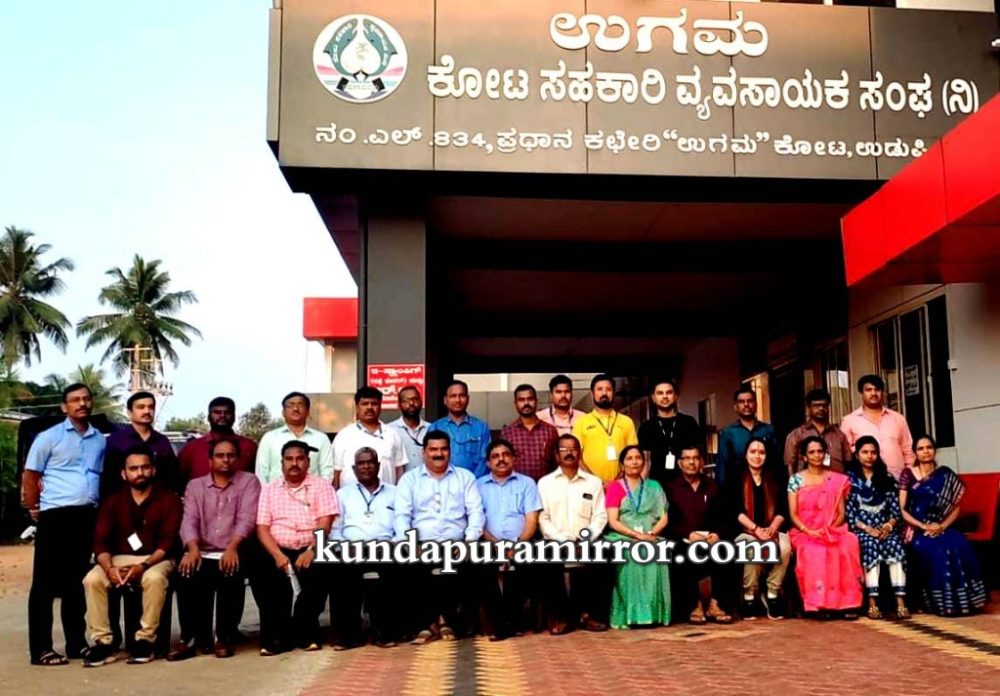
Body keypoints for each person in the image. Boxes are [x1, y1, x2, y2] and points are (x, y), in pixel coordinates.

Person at [23, 383, 106, 666]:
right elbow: (31, 475)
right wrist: (34, 508)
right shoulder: (49, 437)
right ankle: (41, 649)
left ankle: (76, 643)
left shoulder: (99, 439)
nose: (82, 403)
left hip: (86, 516)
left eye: (86, 399)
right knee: (44, 584)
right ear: (64, 406)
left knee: (76, 583)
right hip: (56, 515)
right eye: (75, 400)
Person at [81, 446, 182, 667]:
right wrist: (109, 569)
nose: (140, 473)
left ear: (153, 470)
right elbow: (100, 542)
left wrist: (143, 566)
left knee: (154, 578)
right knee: (92, 579)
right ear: (123, 473)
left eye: (145, 467)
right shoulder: (113, 502)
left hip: (156, 559)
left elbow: (168, 542)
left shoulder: (169, 499)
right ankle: (102, 642)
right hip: (118, 558)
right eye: (134, 469)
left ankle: (145, 640)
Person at [170, 437, 262, 660]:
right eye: (220, 456)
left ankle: (224, 636)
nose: (226, 460)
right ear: (210, 461)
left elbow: (247, 519)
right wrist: (192, 549)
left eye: (231, 455)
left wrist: (232, 548)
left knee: (230, 572)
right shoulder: (195, 486)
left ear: (237, 459)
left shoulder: (249, 482)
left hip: (234, 548)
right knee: (187, 572)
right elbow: (189, 520)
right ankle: (191, 638)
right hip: (202, 550)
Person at [394, 430, 485, 644]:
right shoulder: (409, 479)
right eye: (433, 449)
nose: (438, 454)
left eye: (443, 449)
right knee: (406, 567)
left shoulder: (465, 477)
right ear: (424, 452)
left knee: (469, 565)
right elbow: (401, 515)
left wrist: (469, 541)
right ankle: (427, 623)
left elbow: (476, 512)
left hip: (457, 542)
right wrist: (410, 543)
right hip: (421, 543)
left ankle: (448, 622)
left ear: (450, 451)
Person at [255, 440, 339, 655]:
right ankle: (276, 637)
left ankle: (305, 632)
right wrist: (277, 555)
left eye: (300, 459)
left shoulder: (322, 486)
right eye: (289, 459)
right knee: (267, 579)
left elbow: (325, 523)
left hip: (311, 545)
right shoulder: (269, 490)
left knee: (320, 574)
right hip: (277, 548)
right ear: (282, 463)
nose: (294, 463)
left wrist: (312, 550)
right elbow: (262, 528)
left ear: (308, 462)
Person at [899, 435, 987, 617]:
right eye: (921, 448)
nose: (925, 452)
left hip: (941, 526)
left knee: (959, 544)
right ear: (915, 452)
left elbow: (956, 507)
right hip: (917, 529)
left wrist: (941, 526)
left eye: (929, 447)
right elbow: (902, 509)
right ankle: (942, 604)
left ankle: (966, 602)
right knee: (940, 551)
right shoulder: (907, 474)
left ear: (935, 450)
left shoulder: (945, 474)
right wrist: (923, 526)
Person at [537, 434, 610, 634]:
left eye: (573, 449)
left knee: (605, 554)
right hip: (556, 540)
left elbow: (600, 516)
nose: (569, 453)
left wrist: (585, 539)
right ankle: (561, 617)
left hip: (586, 539)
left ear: (580, 453)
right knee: (545, 559)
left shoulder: (593, 482)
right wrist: (564, 540)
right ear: (556, 455)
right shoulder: (545, 483)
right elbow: (543, 518)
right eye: (564, 449)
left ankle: (589, 614)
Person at [787, 436, 863, 620]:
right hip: (805, 532)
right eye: (812, 452)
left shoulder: (835, 479)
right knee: (814, 551)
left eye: (820, 451)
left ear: (825, 454)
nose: (816, 455)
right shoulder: (796, 480)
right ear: (804, 456)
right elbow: (793, 515)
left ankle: (848, 603)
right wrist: (810, 531)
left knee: (848, 543)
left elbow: (841, 513)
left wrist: (829, 529)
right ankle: (818, 604)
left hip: (832, 530)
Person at [331, 447, 400, 649]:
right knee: (342, 575)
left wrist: (392, 545)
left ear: (378, 466)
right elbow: (335, 530)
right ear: (354, 468)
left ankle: (384, 633)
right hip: (352, 550)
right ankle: (348, 636)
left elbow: (403, 527)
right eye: (361, 463)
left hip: (385, 549)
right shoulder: (342, 494)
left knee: (391, 573)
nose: (366, 466)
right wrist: (346, 548)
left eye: (370, 462)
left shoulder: (395, 493)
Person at [476, 439, 542, 640]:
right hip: (489, 542)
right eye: (495, 456)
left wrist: (518, 545)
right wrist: (496, 545)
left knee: (528, 565)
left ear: (513, 458)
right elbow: (477, 521)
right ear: (488, 463)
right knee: (481, 568)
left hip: (522, 542)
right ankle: (500, 622)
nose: (501, 459)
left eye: (505, 455)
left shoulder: (527, 483)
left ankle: (511, 620)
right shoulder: (478, 486)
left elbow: (532, 519)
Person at [604, 445, 671, 629]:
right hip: (623, 535)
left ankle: (653, 615)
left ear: (644, 462)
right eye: (629, 458)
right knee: (632, 552)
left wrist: (651, 534)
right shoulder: (615, 487)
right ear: (622, 464)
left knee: (657, 550)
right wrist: (636, 535)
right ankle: (631, 615)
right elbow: (613, 521)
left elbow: (664, 517)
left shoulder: (654, 486)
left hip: (650, 534)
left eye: (638, 458)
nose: (634, 462)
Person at [665, 445, 732, 625]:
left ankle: (715, 604)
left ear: (701, 462)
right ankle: (695, 606)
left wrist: (717, 535)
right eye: (687, 458)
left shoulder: (713, 486)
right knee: (682, 554)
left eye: (695, 458)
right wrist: (688, 534)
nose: (691, 462)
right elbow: (669, 521)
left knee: (726, 551)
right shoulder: (671, 488)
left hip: (710, 539)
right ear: (679, 463)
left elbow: (724, 516)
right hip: (684, 539)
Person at [846, 436, 908, 621]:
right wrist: (868, 529)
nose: (869, 456)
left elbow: (896, 511)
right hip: (861, 529)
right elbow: (850, 514)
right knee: (870, 545)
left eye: (873, 452)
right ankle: (872, 603)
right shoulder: (850, 481)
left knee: (895, 544)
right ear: (857, 455)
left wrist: (888, 526)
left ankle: (900, 602)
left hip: (885, 528)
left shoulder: (886, 478)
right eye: (865, 452)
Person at [730, 438, 790, 620]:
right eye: (753, 451)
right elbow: (735, 511)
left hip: (772, 529)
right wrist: (756, 530)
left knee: (785, 548)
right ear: (746, 454)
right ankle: (749, 596)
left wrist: (772, 528)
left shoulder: (776, 477)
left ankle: (772, 593)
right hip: (744, 531)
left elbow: (783, 509)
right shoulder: (736, 477)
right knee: (754, 547)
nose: (757, 456)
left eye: (761, 452)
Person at [102, 391, 181, 497]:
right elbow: (108, 479)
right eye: (141, 407)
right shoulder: (115, 441)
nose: (147, 411)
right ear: (130, 412)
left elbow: (171, 476)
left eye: (151, 407)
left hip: (158, 501)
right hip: (124, 502)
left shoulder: (162, 441)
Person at [840, 375, 914, 480]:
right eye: (868, 390)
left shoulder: (898, 418)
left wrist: (909, 476)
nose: (873, 393)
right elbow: (846, 454)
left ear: (882, 392)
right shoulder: (849, 421)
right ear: (861, 393)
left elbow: (908, 450)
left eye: (877, 389)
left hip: (898, 480)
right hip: (865, 482)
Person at [333, 386, 407, 488]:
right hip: (350, 496)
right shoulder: (344, 435)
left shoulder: (392, 434)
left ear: (380, 407)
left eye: (374, 404)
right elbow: (336, 472)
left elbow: (399, 469)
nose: (369, 407)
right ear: (357, 407)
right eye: (365, 404)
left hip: (386, 495)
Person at [256, 392, 334, 485]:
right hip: (276, 493)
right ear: (283, 412)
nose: (296, 409)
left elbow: (327, 472)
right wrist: (267, 492)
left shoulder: (321, 439)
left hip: (313, 492)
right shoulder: (269, 438)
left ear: (308, 412)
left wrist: (322, 491)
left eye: (300, 405)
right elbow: (261, 473)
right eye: (290, 405)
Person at [572, 373, 638, 483]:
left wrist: (618, 480)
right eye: (599, 389)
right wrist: (596, 481)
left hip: (622, 483)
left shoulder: (626, 422)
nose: (604, 393)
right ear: (592, 394)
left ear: (614, 393)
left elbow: (633, 455)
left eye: (608, 389)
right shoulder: (581, 422)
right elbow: (577, 457)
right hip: (590, 484)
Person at [637, 378, 702, 488]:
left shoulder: (688, 423)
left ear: (675, 396)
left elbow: (698, 458)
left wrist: (699, 486)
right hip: (656, 487)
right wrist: (641, 490)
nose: (665, 396)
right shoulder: (646, 427)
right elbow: (646, 463)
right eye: (660, 393)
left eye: (669, 392)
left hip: (686, 486)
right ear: (653, 398)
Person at [178, 397, 258, 485]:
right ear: (209, 417)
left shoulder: (249, 447)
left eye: (227, 412)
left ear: (234, 417)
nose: (222, 416)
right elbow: (178, 483)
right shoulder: (191, 449)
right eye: (217, 412)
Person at [716, 386, 778, 487]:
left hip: (766, 485)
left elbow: (777, 461)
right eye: (741, 402)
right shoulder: (728, 433)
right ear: (735, 407)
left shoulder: (768, 430)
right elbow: (722, 466)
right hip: (737, 486)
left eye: (750, 401)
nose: (746, 404)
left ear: (756, 404)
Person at [783, 389, 852, 477]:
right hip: (807, 483)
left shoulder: (839, 435)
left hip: (836, 483)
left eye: (824, 405)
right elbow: (790, 464)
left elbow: (848, 462)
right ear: (808, 407)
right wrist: (794, 484)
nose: (821, 408)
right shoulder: (797, 434)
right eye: (816, 406)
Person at [430, 380, 491, 478]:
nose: (458, 400)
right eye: (453, 396)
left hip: (475, 483)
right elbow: (430, 459)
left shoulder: (481, 427)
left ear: (468, 399)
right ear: (445, 400)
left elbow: (485, 459)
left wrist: (471, 481)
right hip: (443, 482)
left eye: (462, 395)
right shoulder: (435, 427)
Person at [499, 384, 559, 481]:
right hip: (517, 486)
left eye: (530, 399)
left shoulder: (550, 431)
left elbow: (556, 464)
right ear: (515, 404)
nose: (526, 403)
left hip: (544, 487)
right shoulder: (507, 433)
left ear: (536, 401)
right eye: (521, 400)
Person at [388, 385, 429, 473]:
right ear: (399, 405)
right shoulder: (389, 431)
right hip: (400, 481)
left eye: (415, 399)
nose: (411, 403)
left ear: (421, 402)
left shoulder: (431, 429)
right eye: (405, 401)